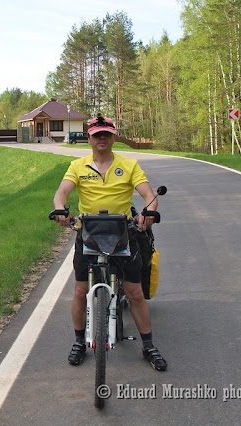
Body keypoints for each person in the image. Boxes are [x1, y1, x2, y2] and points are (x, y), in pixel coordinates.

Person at [51, 114, 167, 371]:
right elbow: (61, 193)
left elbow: (149, 195)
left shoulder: (129, 165)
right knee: (81, 291)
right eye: (96, 134)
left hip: (123, 232)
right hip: (89, 232)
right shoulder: (77, 166)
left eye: (106, 134)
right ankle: (79, 341)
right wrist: (60, 210)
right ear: (89, 138)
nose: (101, 138)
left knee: (135, 292)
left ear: (113, 137)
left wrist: (147, 214)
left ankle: (148, 346)